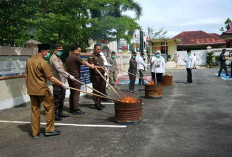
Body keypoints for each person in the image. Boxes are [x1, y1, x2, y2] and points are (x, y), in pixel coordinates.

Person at [25, 44, 69, 139]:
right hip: (41, 89)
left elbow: (26, 76)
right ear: (43, 51)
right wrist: (62, 84)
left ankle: (35, 132)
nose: (48, 54)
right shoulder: (43, 62)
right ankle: (49, 129)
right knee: (50, 107)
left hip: (31, 90)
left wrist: (28, 87)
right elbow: (51, 78)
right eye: (48, 52)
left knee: (35, 110)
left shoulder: (29, 61)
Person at [66, 44, 95, 115]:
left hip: (70, 78)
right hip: (75, 78)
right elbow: (84, 62)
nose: (80, 52)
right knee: (76, 93)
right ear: (75, 50)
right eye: (79, 51)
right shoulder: (75, 57)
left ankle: (71, 108)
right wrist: (91, 66)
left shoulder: (68, 58)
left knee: (72, 93)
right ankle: (75, 109)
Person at [50, 44, 73, 121]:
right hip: (56, 81)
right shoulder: (53, 58)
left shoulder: (58, 58)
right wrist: (69, 75)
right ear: (55, 50)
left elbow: (62, 69)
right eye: (59, 50)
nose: (60, 52)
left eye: (61, 50)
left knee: (62, 98)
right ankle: (54, 114)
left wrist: (65, 79)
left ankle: (60, 112)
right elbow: (59, 70)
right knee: (57, 98)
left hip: (62, 81)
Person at [88, 43, 105, 110]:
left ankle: (99, 102)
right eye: (98, 49)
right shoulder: (91, 57)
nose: (99, 50)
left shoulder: (100, 56)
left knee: (101, 89)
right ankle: (96, 104)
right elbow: (92, 66)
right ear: (94, 49)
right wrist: (100, 67)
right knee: (96, 90)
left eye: (100, 49)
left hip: (102, 75)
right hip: (95, 76)